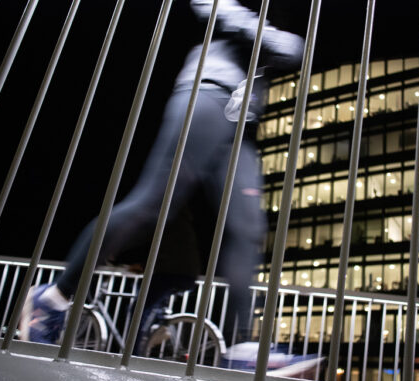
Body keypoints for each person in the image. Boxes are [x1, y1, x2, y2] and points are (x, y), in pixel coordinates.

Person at [20, 0, 304, 359]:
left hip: (241, 120)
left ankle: (242, 344)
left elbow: (294, 52)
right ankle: (52, 299)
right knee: (153, 205)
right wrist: (268, 36)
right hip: (209, 93)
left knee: (247, 227)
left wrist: (277, 42)